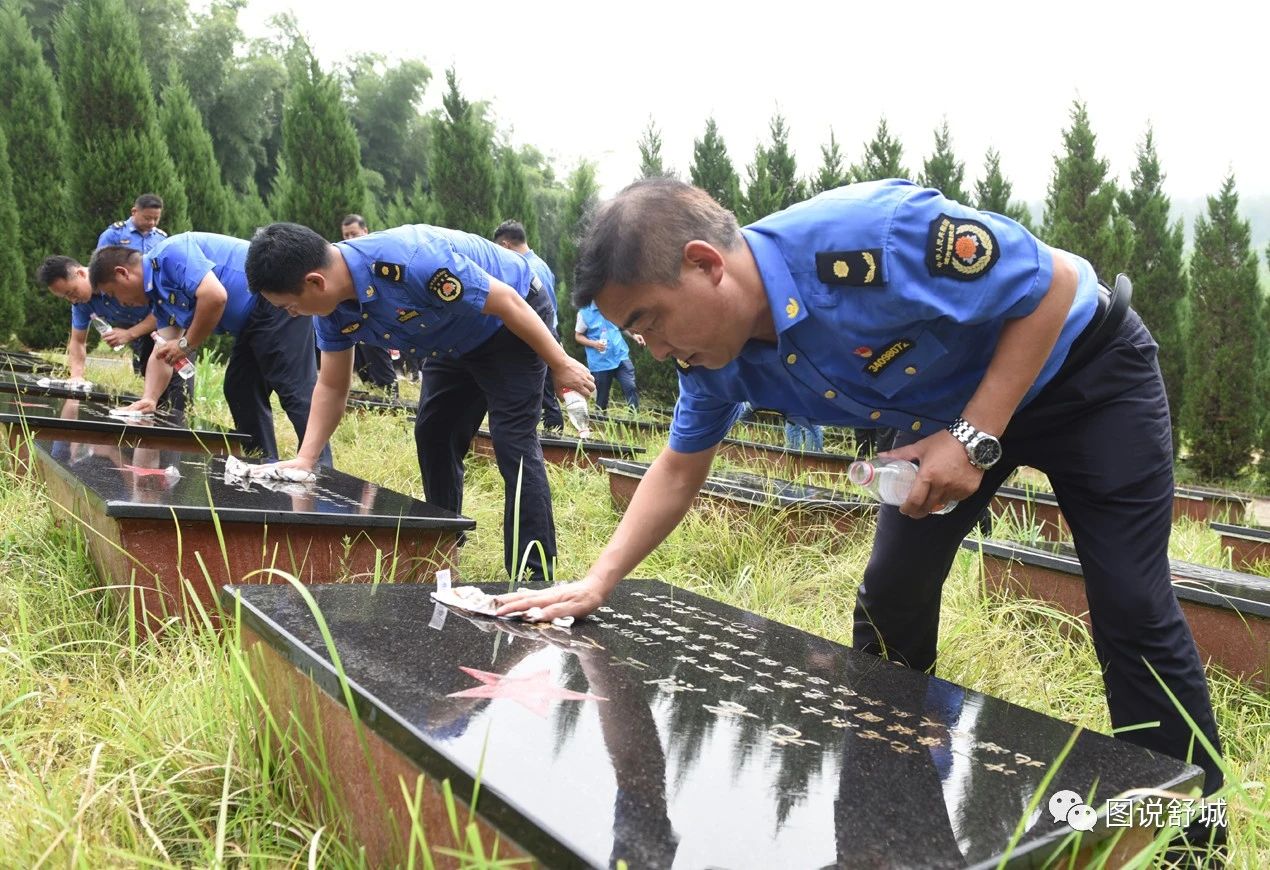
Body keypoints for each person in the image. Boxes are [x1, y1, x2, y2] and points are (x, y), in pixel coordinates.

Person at [497, 178, 1226, 817]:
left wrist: (974, 436)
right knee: (891, 595)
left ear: (705, 264)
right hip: (943, 413)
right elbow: (680, 469)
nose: (655, 349)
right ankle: (891, 808)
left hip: (1087, 376)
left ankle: (1190, 835)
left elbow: (1054, 282)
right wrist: (599, 579)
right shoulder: (715, 362)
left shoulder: (868, 238)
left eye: (650, 320)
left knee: (1131, 603)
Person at [243, 222, 594, 581]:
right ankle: (442, 549)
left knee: (512, 442)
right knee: (434, 433)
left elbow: (507, 302)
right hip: (451, 340)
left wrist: (561, 363)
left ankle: (533, 577)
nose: (291, 314)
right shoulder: (331, 310)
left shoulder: (413, 260)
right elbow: (332, 386)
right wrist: (306, 458)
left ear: (316, 282)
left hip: (509, 321)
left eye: (289, 306)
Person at [89, 235, 331, 465]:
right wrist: (149, 399)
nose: (120, 302)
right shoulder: (159, 297)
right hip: (251, 321)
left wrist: (187, 344)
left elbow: (214, 296)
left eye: (113, 293)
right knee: (240, 388)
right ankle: (262, 460)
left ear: (122, 273)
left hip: (276, 301)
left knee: (293, 386)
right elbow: (162, 352)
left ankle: (320, 468)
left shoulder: (170, 253)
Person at [36, 255, 191, 421]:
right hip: (143, 336)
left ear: (81, 273)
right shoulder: (81, 304)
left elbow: (167, 309)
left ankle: (180, 430)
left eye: (72, 292)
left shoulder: (114, 277)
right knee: (152, 396)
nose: (72, 299)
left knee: (178, 392)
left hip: (172, 327)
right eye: (66, 297)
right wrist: (76, 376)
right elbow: (77, 341)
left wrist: (129, 333)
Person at [493, 219, 564, 432]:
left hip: (539, 333)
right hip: (547, 330)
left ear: (505, 245)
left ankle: (553, 435)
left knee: (544, 394)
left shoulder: (526, 268)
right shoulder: (541, 264)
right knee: (544, 390)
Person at [341, 215, 398, 398]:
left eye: (354, 234)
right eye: (346, 235)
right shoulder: (344, 259)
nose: (350, 239)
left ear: (365, 231)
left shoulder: (376, 252)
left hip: (379, 316)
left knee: (378, 356)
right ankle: (372, 395)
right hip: (356, 316)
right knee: (363, 361)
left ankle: (392, 398)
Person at [574, 301, 642, 411]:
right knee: (602, 398)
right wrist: (594, 344)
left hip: (620, 356)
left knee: (630, 387)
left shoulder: (611, 305)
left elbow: (620, 326)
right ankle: (600, 419)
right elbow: (578, 336)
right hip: (600, 362)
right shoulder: (584, 313)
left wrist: (634, 336)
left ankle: (635, 416)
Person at [97, 193, 167, 253]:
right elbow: (100, 262)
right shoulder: (114, 234)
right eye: (147, 218)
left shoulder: (161, 238)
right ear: (134, 211)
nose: (151, 222)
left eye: (156, 219)